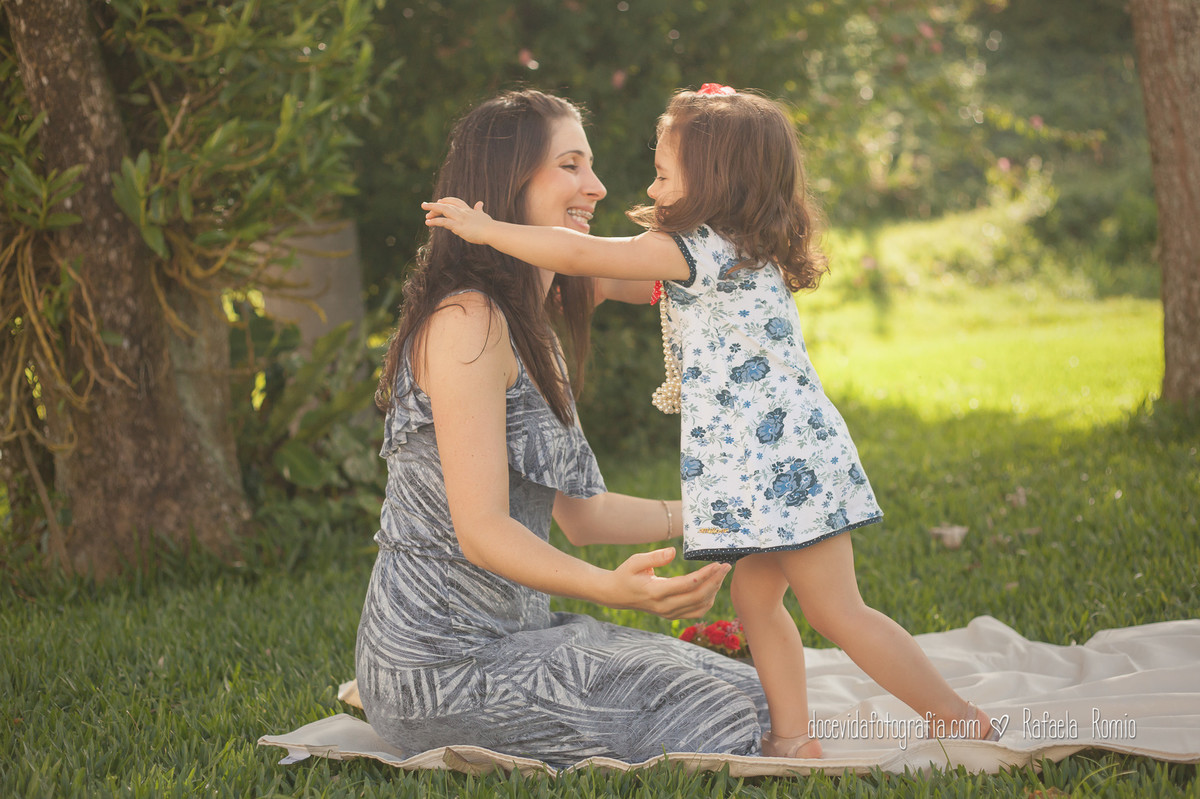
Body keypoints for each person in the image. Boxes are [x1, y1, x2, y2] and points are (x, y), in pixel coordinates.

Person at [423, 84, 1001, 758]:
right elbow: (601, 277)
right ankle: (793, 737)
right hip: (772, 469)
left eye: (664, 174)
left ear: (713, 182)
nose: (645, 185)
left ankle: (956, 717)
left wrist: (488, 229)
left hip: (783, 469)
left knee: (837, 610)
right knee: (757, 601)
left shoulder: (693, 248)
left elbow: (584, 257)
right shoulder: (735, 253)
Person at [356, 88, 776, 769]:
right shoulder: (468, 323)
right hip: (438, 666)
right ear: (507, 182)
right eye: (572, 166)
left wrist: (718, 515)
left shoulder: (537, 309)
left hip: (523, 632)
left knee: (759, 696)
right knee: (721, 719)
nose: (599, 186)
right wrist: (616, 589)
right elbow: (483, 529)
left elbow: (585, 516)